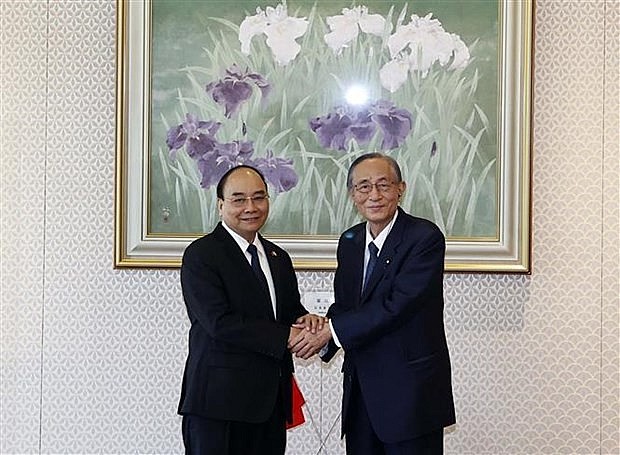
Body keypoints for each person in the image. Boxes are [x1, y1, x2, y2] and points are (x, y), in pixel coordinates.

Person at [290, 152, 456, 454]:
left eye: (384, 185)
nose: (375, 195)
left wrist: (332, 331)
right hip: (361, 394)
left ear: (400, 189)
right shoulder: (350, 241)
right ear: (353, 194)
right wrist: (319, 327)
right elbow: (345, 306)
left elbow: (397, 306)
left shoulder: (424, 238)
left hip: (410, 397)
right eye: (364, 187)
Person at [178, 165, 323, 455]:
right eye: (239, 199)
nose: (251, 207)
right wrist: (286, 336)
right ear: (221, 205)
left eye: (259, 197)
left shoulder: (277, 257)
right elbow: (219, 322)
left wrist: (307, 322)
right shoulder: (202, 255)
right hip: (219, 405)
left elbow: (287, 312)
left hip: (269, 404)